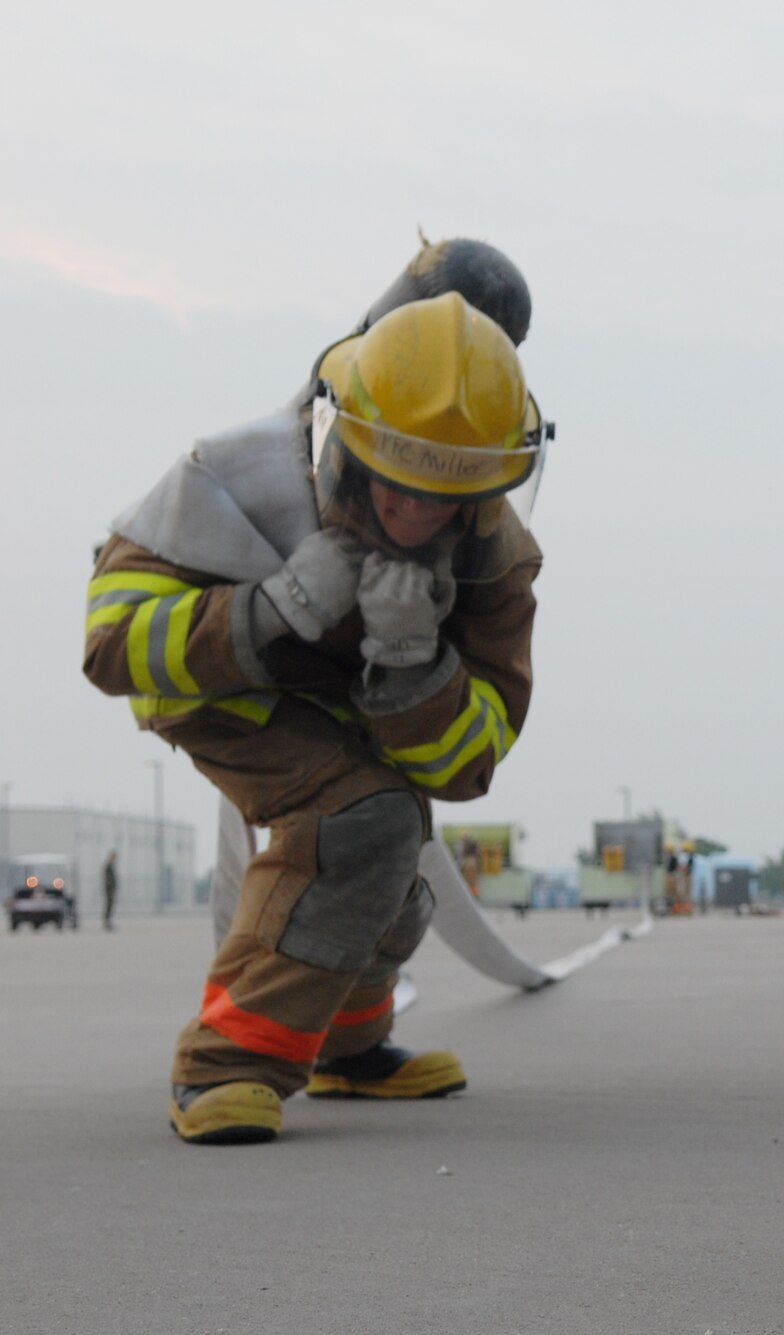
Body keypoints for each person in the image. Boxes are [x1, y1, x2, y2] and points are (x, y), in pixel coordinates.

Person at [82, 242, 549, 1146]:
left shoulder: (497, 559)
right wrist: (263, 615)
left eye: (449, 498)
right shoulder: (240, 476)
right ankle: (224, 1062)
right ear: (350, 444)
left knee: (394, 853)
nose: (419, 517)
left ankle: (344, 1040)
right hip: (220, 685)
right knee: (360, 820)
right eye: (398, 486)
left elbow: (471, 760)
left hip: (364, 695)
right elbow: (110, 647)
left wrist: (417, 669)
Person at [101, 850, 117, 931]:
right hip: (109, 890)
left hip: (111, 890)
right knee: (108, 906)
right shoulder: (108, 866)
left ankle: (108, 920)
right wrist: (110, 888)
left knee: (110, 906)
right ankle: (107, 921)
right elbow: (108, 879)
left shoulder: (111, 866)